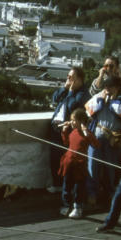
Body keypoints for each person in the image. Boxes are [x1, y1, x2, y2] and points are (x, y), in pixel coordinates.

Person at [85, 74, 121, 207]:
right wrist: (100, 101)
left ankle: (110, 192)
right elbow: (88, 110)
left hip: (114, 139)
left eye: (111, 87)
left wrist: (112, 102)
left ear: (117, 88)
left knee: (110, 167)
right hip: (97, 136)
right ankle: (92, 192)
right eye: (106, 87)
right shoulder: (99, 97)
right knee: (93, 165)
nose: (108, 90)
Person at [47, 66, 91, 195]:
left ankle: (66, 187)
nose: (68, 80)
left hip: (68, 130)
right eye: (68, 77)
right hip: (56, 127)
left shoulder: (83, 94)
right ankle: (56, 184)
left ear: (79, 80)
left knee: (66, 160)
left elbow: (73, 106)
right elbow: (55, 98)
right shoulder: (68, 90)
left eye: (71, 78)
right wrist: (64, 88)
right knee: (54, 158)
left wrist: (70, 92)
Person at [58, 107, 98, 219]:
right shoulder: (73, 132)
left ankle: (77, 207)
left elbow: (96, 144)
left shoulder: (86, 133)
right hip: (69, 163)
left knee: (78, 187)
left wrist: (87, 132)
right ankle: (66, 205)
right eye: (71, 120)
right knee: (66, 185)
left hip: (80, 165)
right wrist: (65, 131)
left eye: (74, 120)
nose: (72, 122)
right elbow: (66, 143)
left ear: (81, 121)